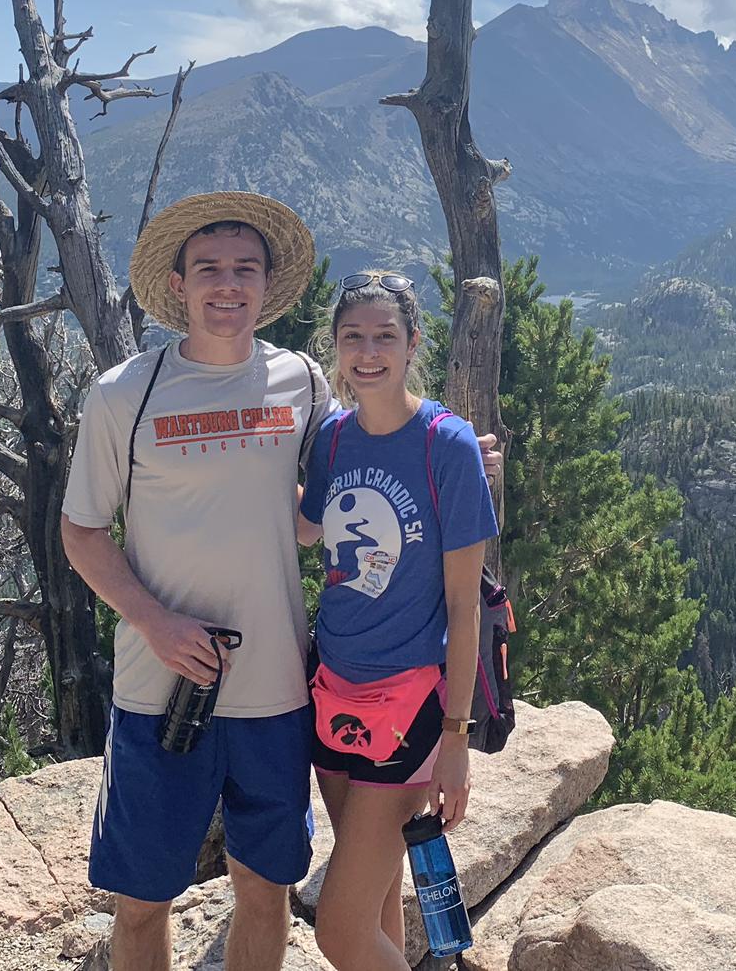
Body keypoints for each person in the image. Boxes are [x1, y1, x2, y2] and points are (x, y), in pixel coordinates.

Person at [61, 195, 500, 971]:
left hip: (279, 695)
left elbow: (323, 504)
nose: (226, 286)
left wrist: (462, 468)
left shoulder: (300, 384)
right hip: (157, 691)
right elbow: (81, 531)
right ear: (178, 282)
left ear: (268, 286)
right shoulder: (123, 395)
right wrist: (154, 623)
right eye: (209, 270)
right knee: (140, 905)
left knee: (264, 892)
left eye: (244, 270)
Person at [296, 272, 499, 971]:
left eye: (385, 336)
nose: (368, 352)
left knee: (337, 930)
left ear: (414, 343)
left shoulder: (447, 447)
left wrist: (455, 738)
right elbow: (301, 529)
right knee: (377, 902)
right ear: (335, 346)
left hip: (411, 707)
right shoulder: (331, 439)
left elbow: (465, 606)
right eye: (353, 337)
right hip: (333, 695)